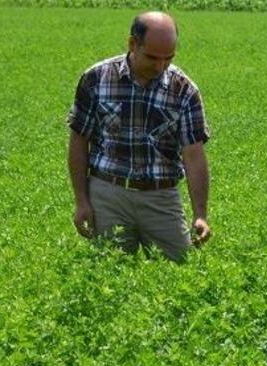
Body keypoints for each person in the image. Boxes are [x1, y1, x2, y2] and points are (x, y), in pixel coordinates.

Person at [67, 11, 211, 261]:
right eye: (153, 57)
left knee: (180, 272)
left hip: (160, 197)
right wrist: (82, 201)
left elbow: (194, 155)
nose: (160, 66)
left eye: (168, 58)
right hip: (108, 193)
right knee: (107, 278)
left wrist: (200, 214)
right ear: (133, 44)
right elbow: (79, 141)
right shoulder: (96, 78)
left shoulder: (184, 90)